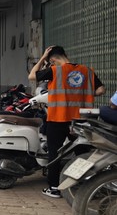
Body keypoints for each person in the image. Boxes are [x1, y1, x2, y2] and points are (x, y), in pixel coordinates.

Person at [28, 45, 105, 198]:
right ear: (66, 54)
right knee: (82, 152)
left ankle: (54, 188)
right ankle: (86, 185)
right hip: (81, 119)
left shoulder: (55, 71)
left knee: (55, 153)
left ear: (53, 59)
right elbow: (100, 90)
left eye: (51, 62)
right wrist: (84, 94)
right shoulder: (86, 71)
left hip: (59, 118)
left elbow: (32, 76)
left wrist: (43, 57)